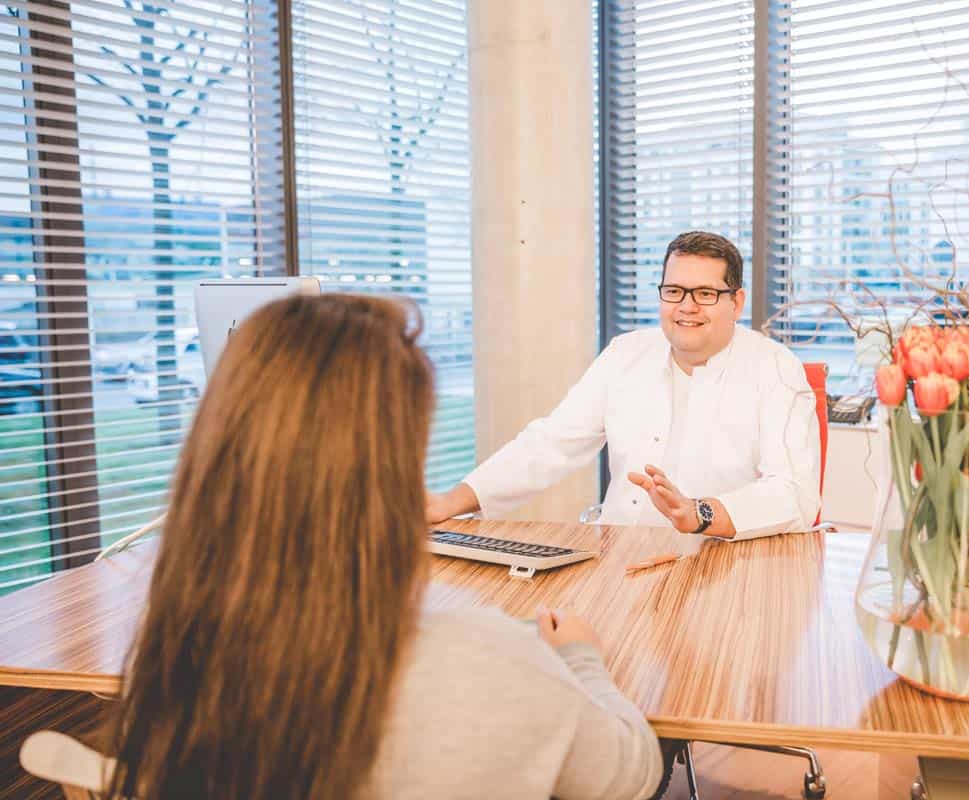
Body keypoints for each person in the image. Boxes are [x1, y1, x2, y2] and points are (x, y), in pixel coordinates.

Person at [104, 294, 662, 800]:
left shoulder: (176, 657)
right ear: (390, 469)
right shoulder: (489, 660)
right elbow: (630, 776)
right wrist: (580, 659)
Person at [427, 230, 821, 541]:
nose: (686, 306)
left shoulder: (775, 368)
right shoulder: (626, 353)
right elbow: (551, 443)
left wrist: (700, 512)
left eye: (705, 294)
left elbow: (793, 494)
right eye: (674, 292)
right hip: (617, 558)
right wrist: (451, 501)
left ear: (736, 303)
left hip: (723, 566)